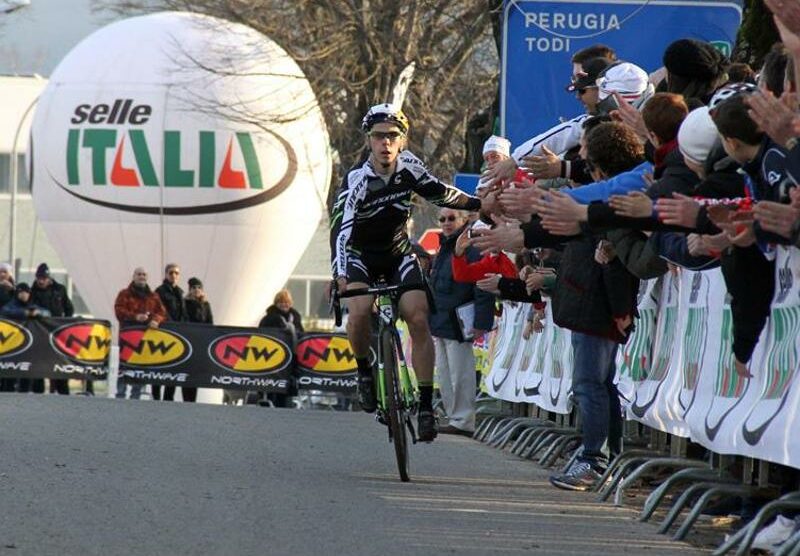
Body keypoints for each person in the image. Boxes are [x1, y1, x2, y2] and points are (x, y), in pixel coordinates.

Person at [329, 103, 484, 442]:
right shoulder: (357, 179)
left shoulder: (410, 167)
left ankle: (427, 405)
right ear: (369, 141)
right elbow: (340, 230)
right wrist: (340, 275)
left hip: (398, 251)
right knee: (357, 313)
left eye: (392, 136)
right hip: (360, 256)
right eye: (378, 136)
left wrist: (476, 204)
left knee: (417, 316)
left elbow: (440, 192)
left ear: (402, 141)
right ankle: (364, 372)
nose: (385, 143)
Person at [429, 209, 495, 435]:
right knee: (446, 375)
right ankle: (455, 417)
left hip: (458, 321)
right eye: (442, 219)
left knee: (461, 373)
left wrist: (481, 321)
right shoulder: (444, 249)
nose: (446, 223)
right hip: (441, 319)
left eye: (451, 218)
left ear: (464, 219)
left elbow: (483, 284)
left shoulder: (472, 247)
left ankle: (463, 420)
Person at [114, 268, 167, 400]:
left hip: (145, 338)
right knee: (124, 366)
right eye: (139, 274)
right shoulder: (124, 294)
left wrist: (156, 320)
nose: (141, 277)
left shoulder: (153, 296)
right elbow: (119, 310)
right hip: (128, 337)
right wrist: (135, 317)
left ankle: (135, 395)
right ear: (133, 277)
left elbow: (162, 312)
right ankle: (120, 394)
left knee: (141, 366)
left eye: (144, 274)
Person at [31, 263, 74, 395]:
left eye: (44, 278)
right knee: (38, 362)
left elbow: (69, 308)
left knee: (59, 362)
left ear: (49, 278)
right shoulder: (32, 291)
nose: (41, 281)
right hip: (39, 332)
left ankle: (63, 391)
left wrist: (64, 323)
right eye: (39, 278)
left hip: (57, 333)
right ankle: (38, 392)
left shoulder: (59, 289)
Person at [259, 289, 304, 408]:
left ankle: (285, 402)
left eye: (287, 302)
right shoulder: (269, 318)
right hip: (272, 356)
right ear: (276, 303)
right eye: (281, 302)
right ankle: (268, 400)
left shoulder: (295, 317)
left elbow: (301, 332)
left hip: (291, 357)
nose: (284, 304)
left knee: (287, 382)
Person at [155, 263, 186, 401]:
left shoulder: (180, 292)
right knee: (159, 366)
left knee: (174, 366)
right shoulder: (160, 291)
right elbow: (160, 311)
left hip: (177, 334)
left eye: (176, 273)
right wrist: (172, 324)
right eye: (171, 272)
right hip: (164, 333)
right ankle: (156, 397)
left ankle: (169, 398)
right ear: (166, 274)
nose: (174, 275)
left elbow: (183, 313)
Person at [183, 277, 213, 403]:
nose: (196, 290)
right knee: (186, 370)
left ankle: (193, 399)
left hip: (200, 342)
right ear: (190, 290)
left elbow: (210, 322)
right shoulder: (185, 303)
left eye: (199, 287)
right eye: (194, 288)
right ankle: (186, 398)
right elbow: (184, 319)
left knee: (196, 370)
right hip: (188, 339)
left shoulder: (206, 305)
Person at [0, 263, 16, 392]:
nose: (2, 275)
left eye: (4, 272)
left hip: (12, 329)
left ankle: (10, 384)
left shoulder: (16, 289)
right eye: (0, 272)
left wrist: (13, 290)